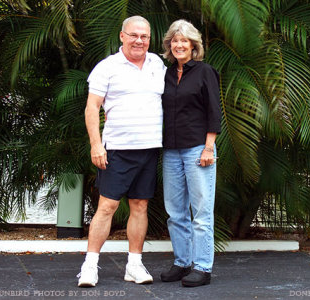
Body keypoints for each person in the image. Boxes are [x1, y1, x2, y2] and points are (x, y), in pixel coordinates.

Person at [78, 15, 166, 287]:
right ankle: (90, 266)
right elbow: (92, 107)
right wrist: (95, 144)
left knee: (140, 206)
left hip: (149, 149)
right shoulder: (107, 67)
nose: (139, 40)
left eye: (145, 36)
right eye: (134, 35)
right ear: (122, 36)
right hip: (116, 149)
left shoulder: (157, 64)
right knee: (107, 206)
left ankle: (134, 265)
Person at [160, 20, 221, 287]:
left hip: (199, 149)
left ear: (193, 45)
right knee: (175, 212)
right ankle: (182, 263)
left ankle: (203, 267)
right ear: (169, 45)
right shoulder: (166, 74)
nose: (179, 45)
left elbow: (214, 111)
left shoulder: (205, 71)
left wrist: (209, 147)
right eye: (174, 41)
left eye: (184, 41)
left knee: (202, 212)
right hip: (171, 150)